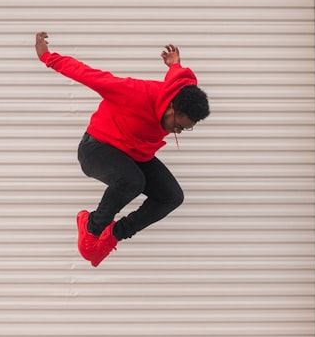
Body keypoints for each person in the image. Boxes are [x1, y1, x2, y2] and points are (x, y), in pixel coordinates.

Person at [35, 31, 210, 267]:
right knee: (132, 181)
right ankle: (91, 227)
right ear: (170, 107)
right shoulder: (135, 92)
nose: (177, 131)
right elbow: (89, 75)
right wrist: (47, 56)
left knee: (172, 196)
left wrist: (174, 63)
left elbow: (179, 77)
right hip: (96, 147)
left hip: (134, 153)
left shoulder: (183, 94)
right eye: (178, 126)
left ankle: (112, 235)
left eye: (185, 129)